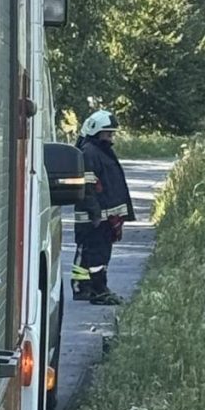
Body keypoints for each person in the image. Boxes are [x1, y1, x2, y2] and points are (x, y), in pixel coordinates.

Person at [70, 109, 135, 305]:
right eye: (107, 133)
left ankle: (87, 287)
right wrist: (95, 212)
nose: (111, 137)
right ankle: (96, 289)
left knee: (97, 254)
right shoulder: (90, 152)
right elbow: (87, 187)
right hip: (94, 218)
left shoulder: (101, 151)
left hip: (105, 217)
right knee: (93, 254)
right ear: (95, 131)